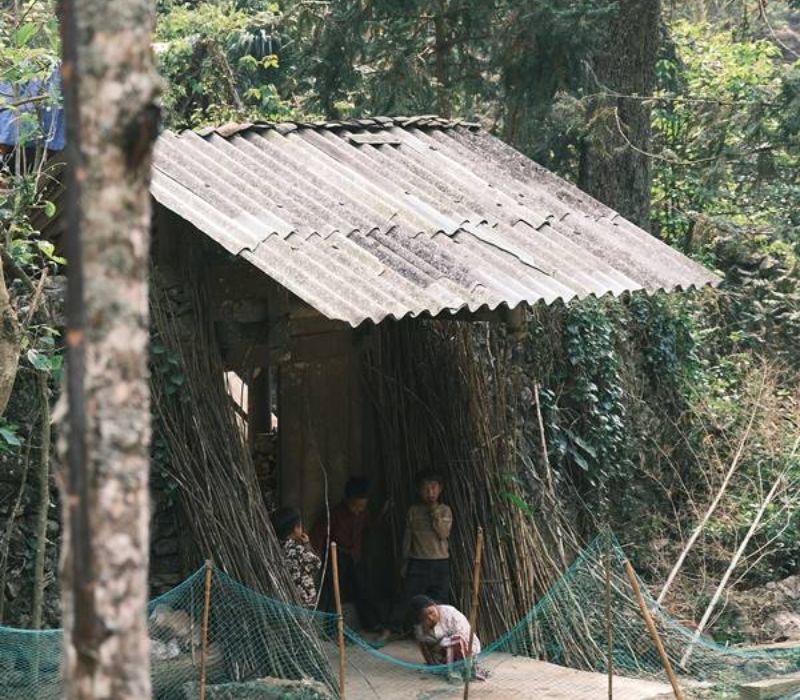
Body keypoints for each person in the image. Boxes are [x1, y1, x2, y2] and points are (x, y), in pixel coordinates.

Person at [311, 476, 383, 631]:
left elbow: (372, 525)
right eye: (355, 506)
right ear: (347, 500)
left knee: (363, 588)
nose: (358, 510)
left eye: (362, 506)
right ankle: (331, 629)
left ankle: (371, 624)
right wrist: (314, 553)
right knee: (332, 592)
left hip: (355, 557)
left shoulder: (364, 514)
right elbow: (318, 533)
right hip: (337, 557)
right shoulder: (335, 513)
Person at [401, 471, 453, 604]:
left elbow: (443, 533)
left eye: (434, 487)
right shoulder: (413, 511)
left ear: (440, 489)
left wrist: (434, 511)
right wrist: (405, 562)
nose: (430, 492)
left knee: (440, 601)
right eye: (426, 488)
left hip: (440, 563)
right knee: (413, 600)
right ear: (419, 490)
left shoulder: (444, 510)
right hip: (418, 562)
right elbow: (408, 539)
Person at [410, 594, 487, 680]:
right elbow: (424, 645)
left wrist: (442, 644)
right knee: (430, 645)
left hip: (467, 651)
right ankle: (442, 667)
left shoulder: (450, 613)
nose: (431, 618)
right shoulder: (420, 628)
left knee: (455, 640)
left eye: (431, 612)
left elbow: (464, 636)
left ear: (435, 605)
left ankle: (463, 669)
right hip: (443, 656)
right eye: (425, 618)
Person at [272, 506, 321, 608]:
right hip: (304, 599)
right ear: (296, 529)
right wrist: (307, 544)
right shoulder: (297, 550)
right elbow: (316, 564)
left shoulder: (275, 548)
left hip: (286, 598)